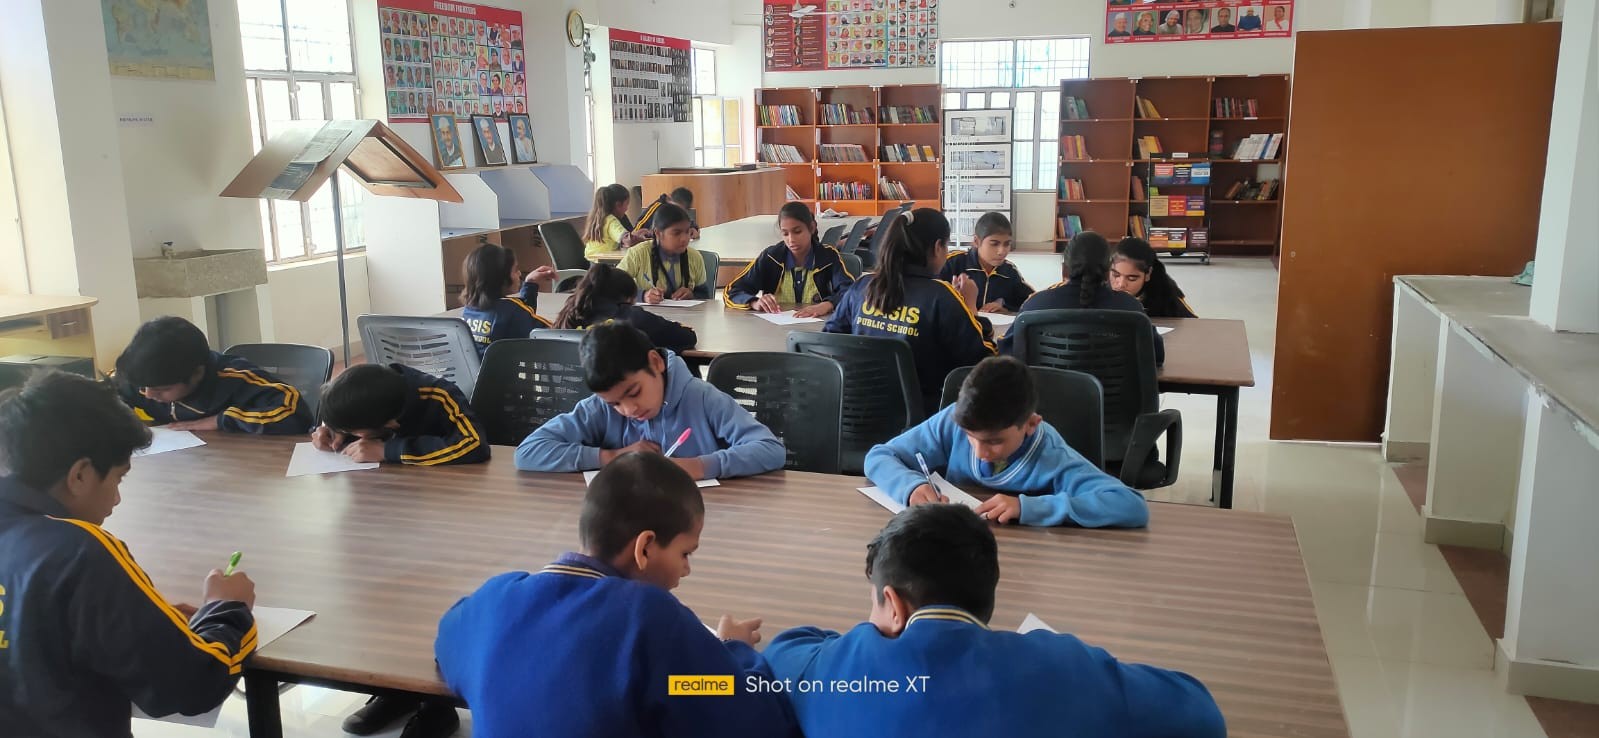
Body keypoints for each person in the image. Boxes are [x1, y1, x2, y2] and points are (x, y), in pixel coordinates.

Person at [762, 504, 1226, 738]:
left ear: (894, 604)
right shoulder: (1063, 668)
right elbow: (1204, 716)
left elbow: (784, 651)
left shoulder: (832, 671)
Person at [435, 452, 798, 737]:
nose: (687, 569)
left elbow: (447, 645)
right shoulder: (649, 618)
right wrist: (732, 651)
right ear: (645, 547)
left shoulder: (496, 600)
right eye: (685, 553)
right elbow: (749, 720)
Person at [0, 372, 258, 736]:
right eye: (118, 478)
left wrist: (143, 620)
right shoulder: (79, 551)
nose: (117, 499)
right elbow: (192, 684)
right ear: (80, 475)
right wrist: (226, 609)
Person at [865, 355, 1149, 527]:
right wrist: (911, 487)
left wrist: (1028, 508)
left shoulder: (1050, 454)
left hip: (1028, 557)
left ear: (1030, 424)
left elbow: (1130, 505)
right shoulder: (955, 420)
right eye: (970, 438)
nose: (980, 451)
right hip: (960, 547)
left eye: (994, 442)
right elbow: (878, 456)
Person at [515, 323, 783, 480]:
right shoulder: (599, 408)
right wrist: (613, 457)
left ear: (655, 363)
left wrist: (700, 466)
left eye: (633, 392)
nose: (628, 410)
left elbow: (770, 449)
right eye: (615, 404)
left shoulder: (701, 398)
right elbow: (528, 452)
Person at [825, 209, 995, 411]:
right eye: (946, 245)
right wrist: (970, 307)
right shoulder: (941, 296)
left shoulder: (862, 286)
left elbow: (828, 341)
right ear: (937, 247)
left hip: (859, 413)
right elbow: (983, 362)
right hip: (922, 421)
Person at [113, 316, 313, 435]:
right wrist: (122, 419)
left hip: (238, 466)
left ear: (197, 373)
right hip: (174, 467)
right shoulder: (141, 377)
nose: (148, 394)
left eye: (162, 389)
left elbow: (294, 412)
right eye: (143, 387)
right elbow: (108, 399)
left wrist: (221, 420)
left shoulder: (234, 378)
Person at [1006, 231, 1165, 365]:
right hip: (1115, 401)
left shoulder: (1035, 305)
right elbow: (1156, 356)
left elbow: (1007, 351)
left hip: (1048, 400)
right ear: (1108, 269)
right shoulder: (1130, 307)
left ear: (1064, 268)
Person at [311, 363, 488, 467]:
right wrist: (330, 428)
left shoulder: (439, 394)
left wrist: (388, 450)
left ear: (391, 424)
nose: (352, 434)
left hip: (436, 495)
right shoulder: (363, 392)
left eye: (356, 432)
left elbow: (474, 445)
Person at [724, 202, 856, 316]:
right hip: (773, 329)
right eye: (785, 233)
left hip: (819, 328)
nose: (791, 240)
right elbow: (731, 291)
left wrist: (827, 305)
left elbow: (851, 291)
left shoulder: (827, 256)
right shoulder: (770, 257)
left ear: (812, 228)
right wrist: (754, 302)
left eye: (797, 231)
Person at [554, 264, 697, 353]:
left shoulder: (569, 314)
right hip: (618, 398)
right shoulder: (634, 318)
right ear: (628, 300)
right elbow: (687, 337)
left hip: (569, 397)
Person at [459, 243, 555, 358]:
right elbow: (553, 332)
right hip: (502, 375)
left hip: (473, 374)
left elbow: (524, 316)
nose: (519, 273)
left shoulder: (468, 311)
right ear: (501, 278)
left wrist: (530, 284)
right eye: (515, 270)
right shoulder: (512, 310)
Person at [938, 212, 1034, 313]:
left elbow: (1031, 301)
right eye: (994, 244)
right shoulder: (952, 263)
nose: (1001, 251)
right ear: (976, 241)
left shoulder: (1009, 271)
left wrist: (1005, 308)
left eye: (1007, 244)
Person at [617, 203, 710, 303]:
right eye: (676, 233)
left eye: (687, 232)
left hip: (685, 317)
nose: (684, 238)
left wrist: (692, 295)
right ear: (657, 233)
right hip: (647, 316)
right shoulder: (638, 253)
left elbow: (705, 295)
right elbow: (613, 287)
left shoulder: (695, 257)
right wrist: (643, 296)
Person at [1112, 237, 1197, 319]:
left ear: (1148, 274)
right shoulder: (1101, 288)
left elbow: (1193, 326)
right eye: (1116, 275)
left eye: (1131, 278)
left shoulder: (1167, 297)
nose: (1121, 284)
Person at [582, 183, 638, 260]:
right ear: (618, 205)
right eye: (627, 204)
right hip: (606, 264)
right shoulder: (611, 221)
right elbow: (627, 240)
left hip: (593, 263)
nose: (627, 208)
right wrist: (641, 237)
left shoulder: (596, 217)